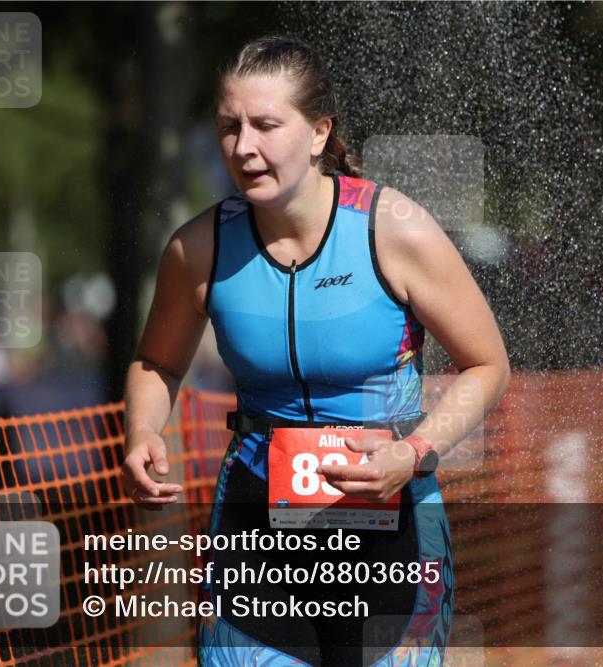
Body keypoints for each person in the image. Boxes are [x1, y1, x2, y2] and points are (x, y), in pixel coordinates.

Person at [120, 36, 510, 666]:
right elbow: (157, 363)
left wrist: (411, 455)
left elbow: (488, 365)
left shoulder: (396, 229)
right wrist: (143, 430)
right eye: (229, 127)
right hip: (254, 521)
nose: (244, 147)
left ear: (319, 133)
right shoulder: (198, 249)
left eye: (266, 125)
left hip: (392, 518)